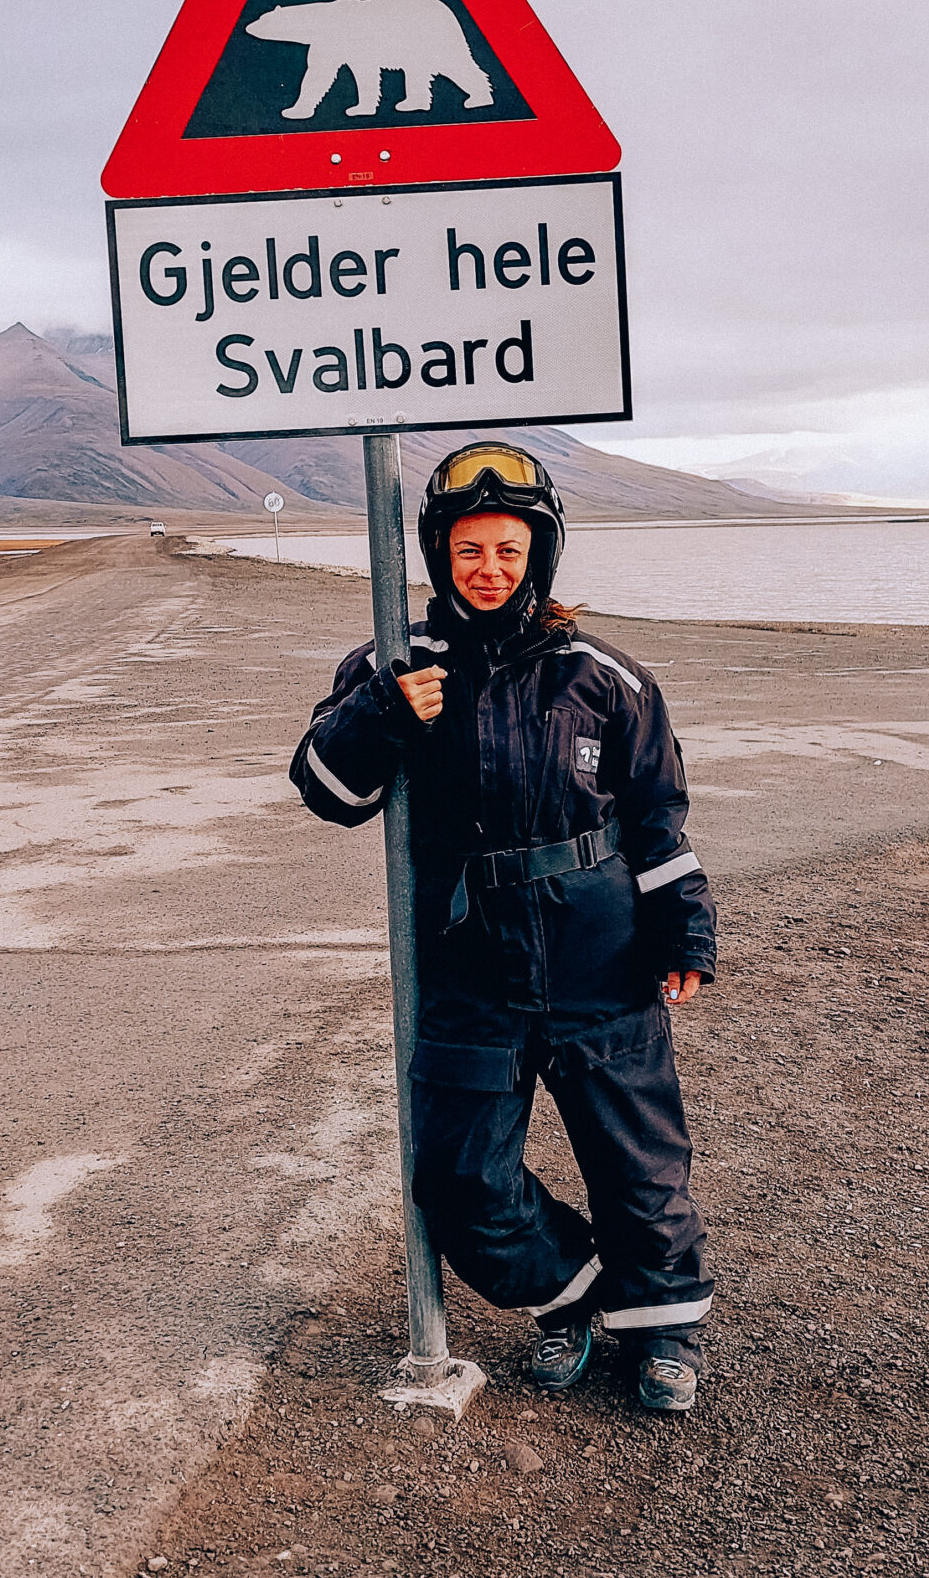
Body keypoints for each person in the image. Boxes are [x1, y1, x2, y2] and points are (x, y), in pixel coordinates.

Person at [289, 441, 715, 1412]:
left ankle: (668, 1331)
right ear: (440, 555)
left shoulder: (607, 679)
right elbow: (323, 787)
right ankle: (578, 1298)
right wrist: (384, 716)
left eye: (509, 550)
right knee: (458, 1180)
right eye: (470, 550)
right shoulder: (394, 668)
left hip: (600, 963)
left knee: (640, 1167)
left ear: (541, 554)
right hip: (468, 970)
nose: (489, 570)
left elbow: (658, 819)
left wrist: (684, 928)